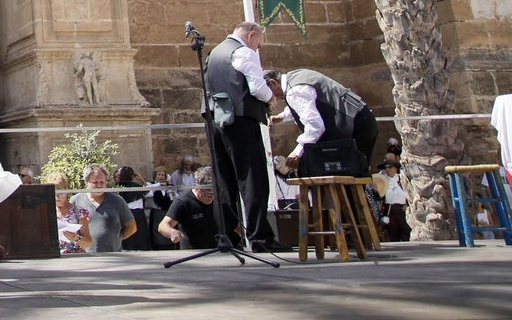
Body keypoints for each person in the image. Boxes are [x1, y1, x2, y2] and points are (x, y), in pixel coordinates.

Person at [205, 21, 277, 249]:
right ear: (252, 35)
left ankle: (226, 237)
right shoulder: (243, 52)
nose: (257, 48)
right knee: (253, 179)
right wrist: (271, 99)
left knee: (224, 181)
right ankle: (259, 237)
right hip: (241, 120)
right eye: (258, 43)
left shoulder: (214, 53)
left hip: (215, 120)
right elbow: (257, 88)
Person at [266, 68, 378, 178]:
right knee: (347, 177)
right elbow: (306, 103)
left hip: (356, 124)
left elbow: (315, 127)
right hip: (361, 118)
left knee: (348, 177)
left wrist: (297, 152)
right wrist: (282, 116)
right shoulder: (295, 78)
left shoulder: (294, 91)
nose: (271, 98)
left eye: (268, 93)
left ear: (273, 82)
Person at [71, 165, 136, 253]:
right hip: (85, 256)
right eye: (95, 182)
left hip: (113, 255)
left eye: (102, 182)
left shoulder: (117, 201)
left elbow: (131, 227)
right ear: (87, 182)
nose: (99, 185)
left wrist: (115, 239)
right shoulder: (76, 201)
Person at [158, 168, 219, 249]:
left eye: (214, 194)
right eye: (208, 194)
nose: (211, 198)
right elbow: (162, 226)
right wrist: (172, 232)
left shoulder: (218, 199)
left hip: (217, 250)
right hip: (193, 252)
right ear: (197, 187)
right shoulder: (183, 201)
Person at [373, 154, 411, 241]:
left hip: (402, 208)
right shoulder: (382, 180)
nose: (387, 169)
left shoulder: (402, 179)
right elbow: (378, 198)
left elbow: (409, 192)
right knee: (392, 230)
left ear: (395, 168)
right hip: (389, 208)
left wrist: (408, 205)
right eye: (385, 168)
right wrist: (376, 191)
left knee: (405, 228)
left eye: (390, 167)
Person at [51, 173, 83, 255]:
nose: (56, 196)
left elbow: (88, 241)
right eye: (53, 192)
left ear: (66, 190)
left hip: (75, 259)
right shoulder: (45, 213)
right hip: (53, 259)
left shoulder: (78, 212)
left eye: (60, 192)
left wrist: (77, 238)